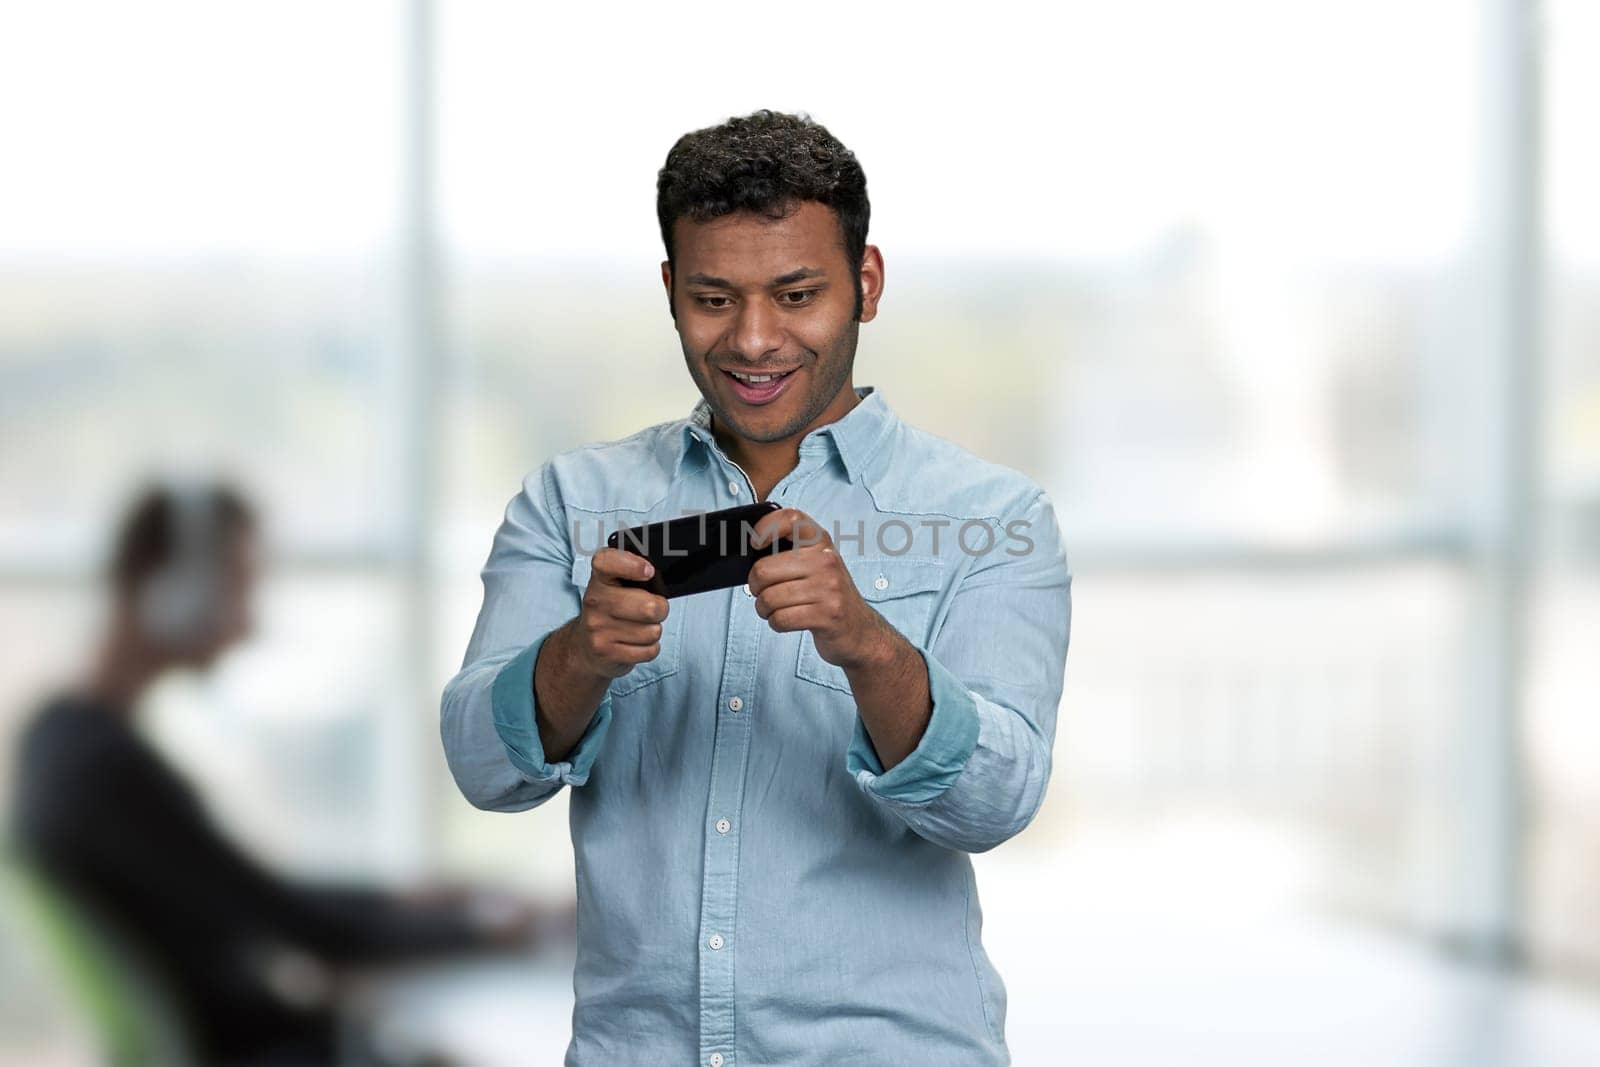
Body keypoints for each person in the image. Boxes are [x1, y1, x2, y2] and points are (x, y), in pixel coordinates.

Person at [440, 109, 1072, 1065]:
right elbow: (484, 768)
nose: (754, 338)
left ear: (866, 284)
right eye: (714, 298)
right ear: (670, 291)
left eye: (796, 293)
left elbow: (995, 803)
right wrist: (578, 655)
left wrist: (866, 642)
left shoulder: (997, 517)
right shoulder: (570, 501)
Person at [11, 481, 536, 1066]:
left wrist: (405, 901)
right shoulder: (105, 768)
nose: (247, 618)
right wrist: (481, 929)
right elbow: (297, 923)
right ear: (170, 587)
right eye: (236, 581)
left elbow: (245, 890)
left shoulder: (57, 738)